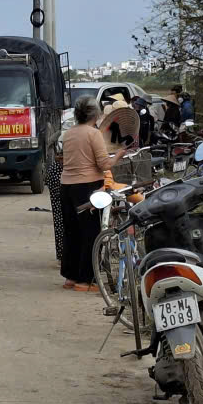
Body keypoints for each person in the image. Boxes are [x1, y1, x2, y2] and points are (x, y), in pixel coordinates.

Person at [60, 96, 128, 292]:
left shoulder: (69, 133)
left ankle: (71, 277)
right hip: (88, 187)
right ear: (95, 114)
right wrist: (119, 154)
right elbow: (104, 164)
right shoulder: (93, 133)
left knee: (72, 232)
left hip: (67, 186)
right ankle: (85, 279)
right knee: (90, 233)